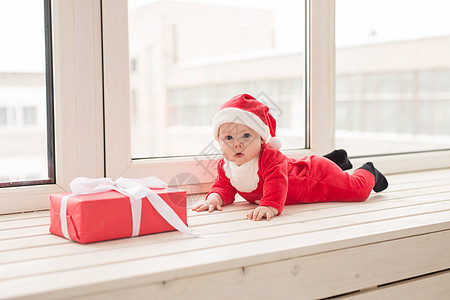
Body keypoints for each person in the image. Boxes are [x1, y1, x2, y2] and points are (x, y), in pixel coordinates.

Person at [192, 94, 388, 221]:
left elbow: (276, 182)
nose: (237, 143)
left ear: (261, 139)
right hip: (299, 169)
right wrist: (214, 198)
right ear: (219, 141)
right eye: (228, 137)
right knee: (307, 166)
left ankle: (368, 170)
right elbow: (224, 186)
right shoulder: (225, 165)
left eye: (246, 135)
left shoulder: (269, 157)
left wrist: (270, 205)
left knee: (358, 191)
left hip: (315, 178)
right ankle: (336, 160)